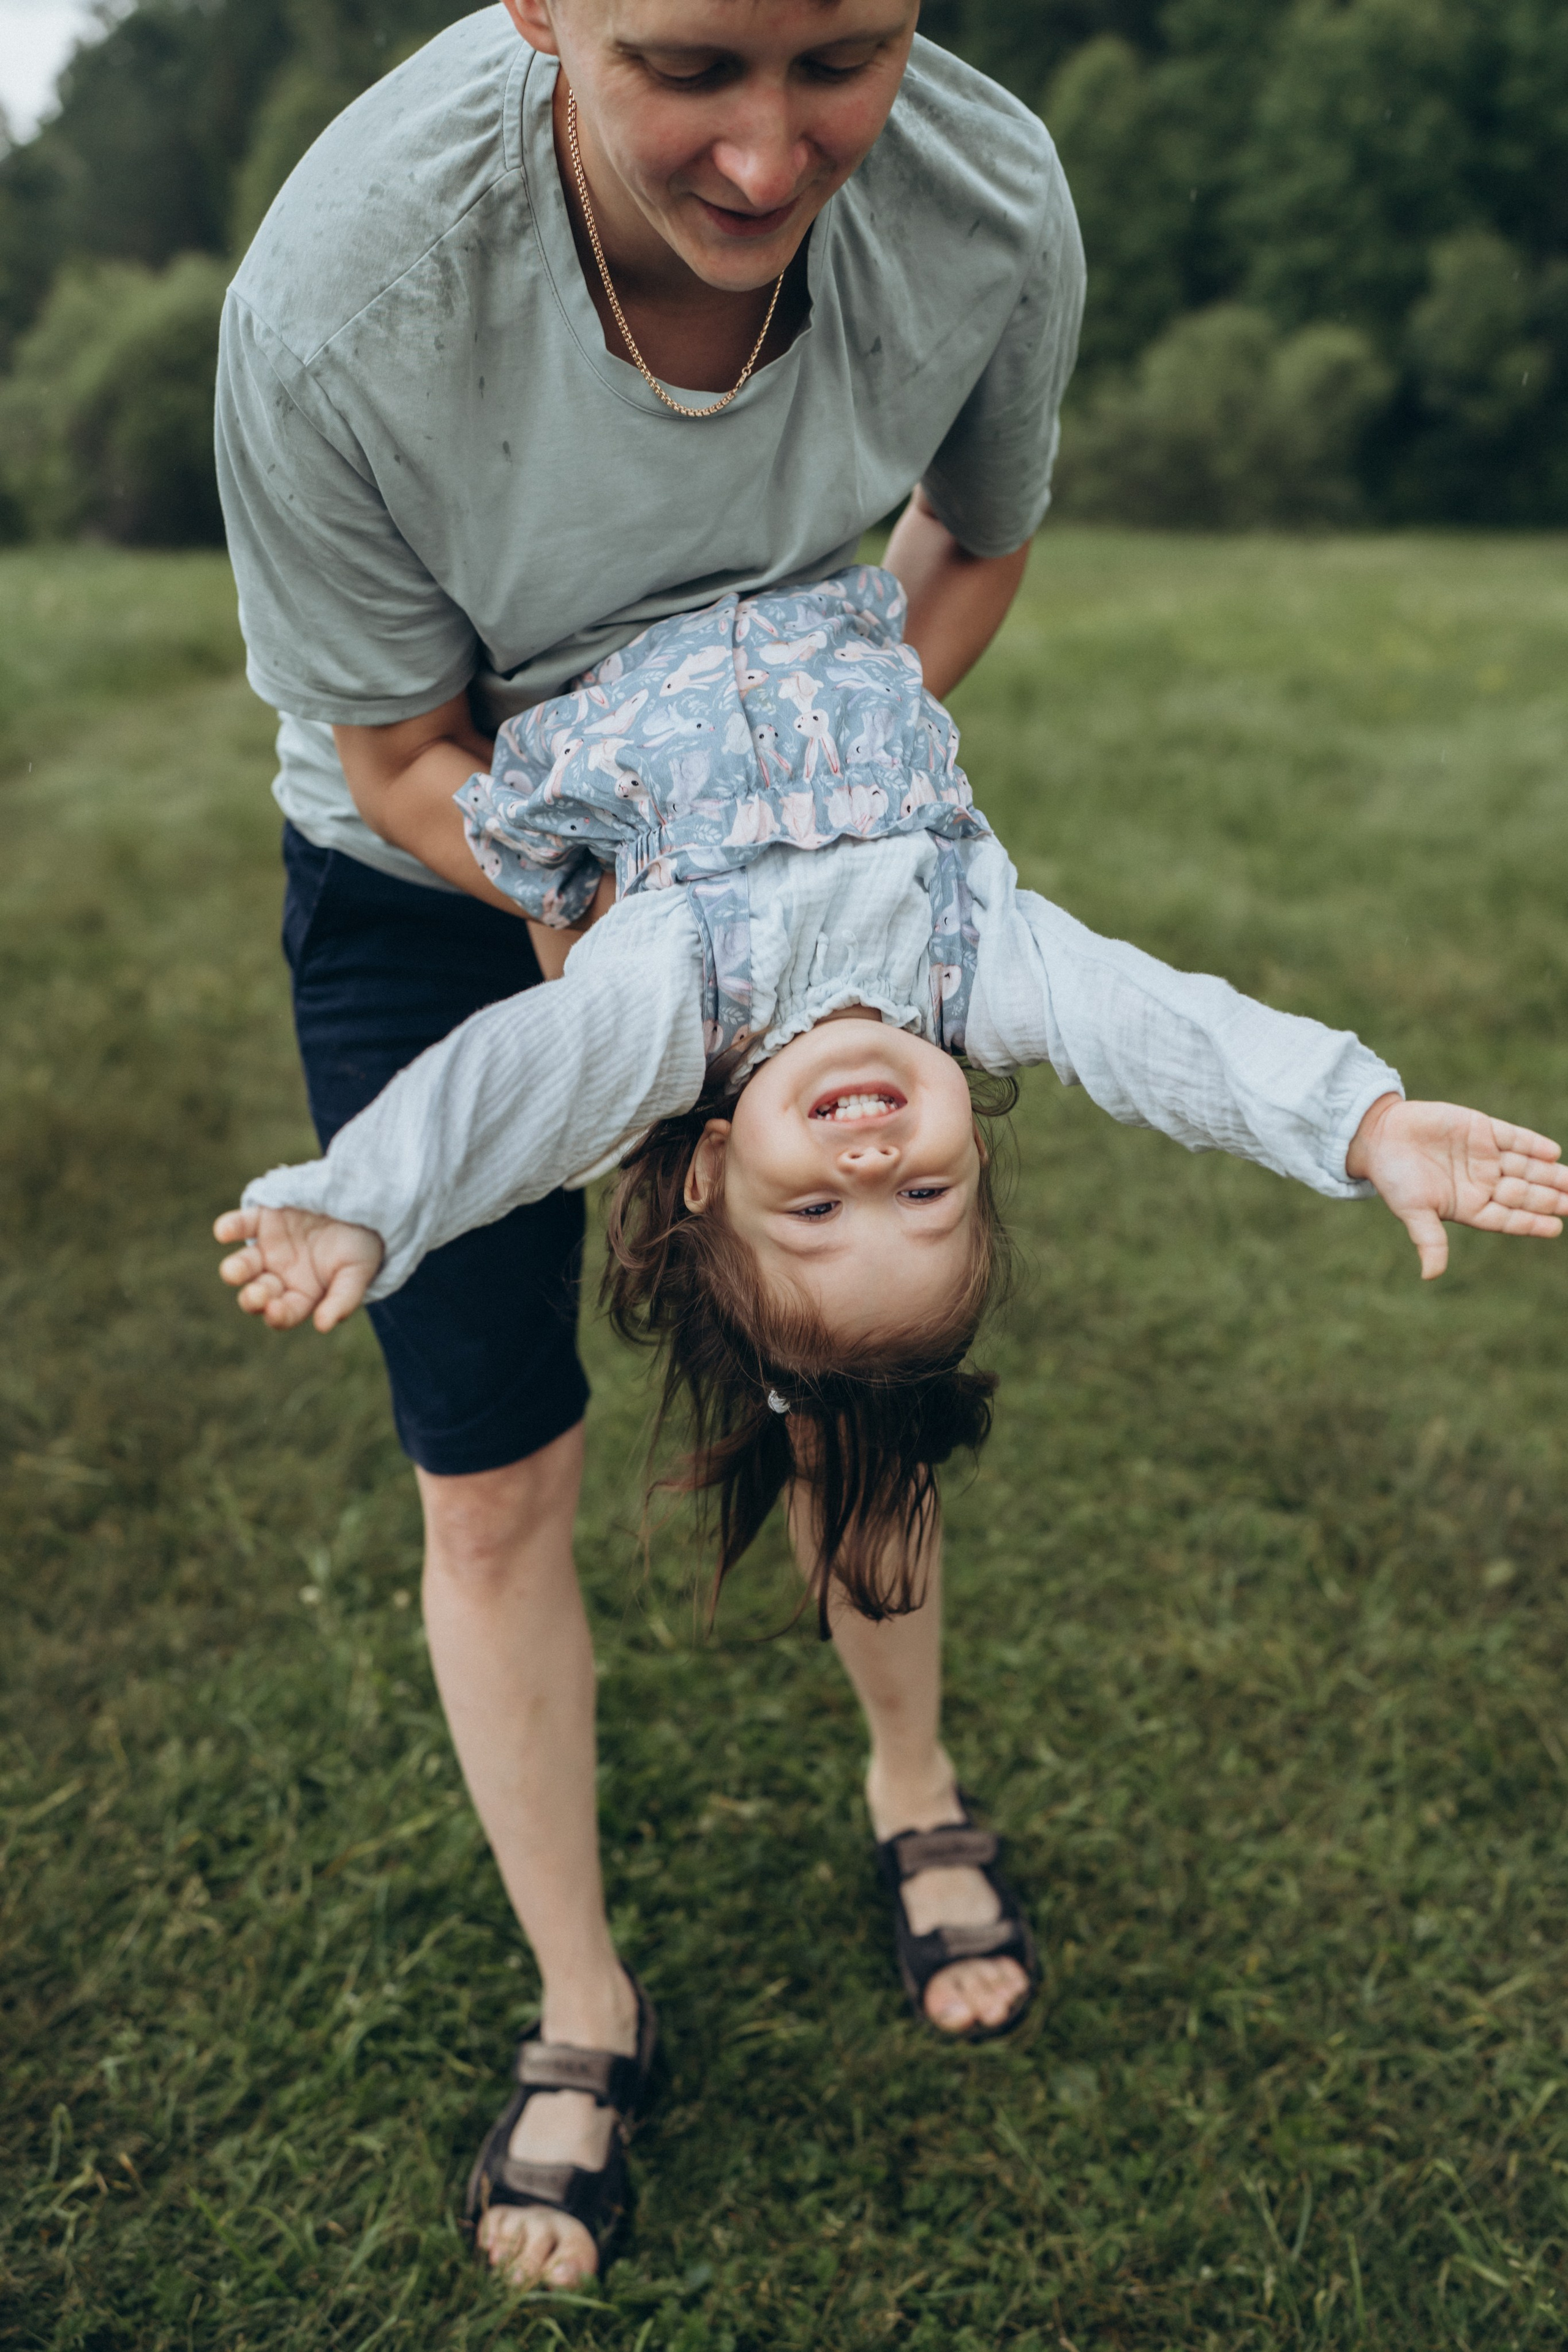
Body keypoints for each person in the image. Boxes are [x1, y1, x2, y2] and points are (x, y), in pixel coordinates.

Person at [216, 561, 1568, 2258]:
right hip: (598, 712)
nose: (876, 1165)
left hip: (591, 631)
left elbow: (510, 1089)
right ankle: (640, 1959)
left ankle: (905, 1781)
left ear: (709, 1163)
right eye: (926, 1201)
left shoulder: (661, 1014)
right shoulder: (971, 964)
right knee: (841, 1416)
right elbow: (1167, 1033)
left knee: (843, 1418)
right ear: (977, 1147)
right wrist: (1362, 1124)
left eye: (818, 1209)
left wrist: (363, 1200)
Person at [215, 0, 1087, 2291]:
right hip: (441, 858)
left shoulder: (988, 204)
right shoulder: (344, 299)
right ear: (540, 13)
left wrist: (792, 876)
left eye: (843, 56)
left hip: (787, 850)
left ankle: (914, 1791)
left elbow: (969, 559)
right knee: (491, 1474)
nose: (770, 156)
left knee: (850, 1336)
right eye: (689, 65)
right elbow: (403, 748)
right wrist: (631, 937)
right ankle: (587, 2005)